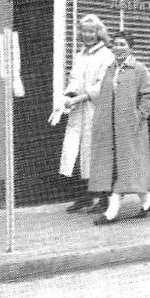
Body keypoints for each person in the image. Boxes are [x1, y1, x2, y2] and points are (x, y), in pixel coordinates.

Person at [89, 31, 150, 225]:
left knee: (125, 167)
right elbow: (104, 96)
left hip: (131, 128)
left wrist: (139, 115)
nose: (118, 48)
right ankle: (148, 200)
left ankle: (112, 211)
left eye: (122, 44)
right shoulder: (110, 69)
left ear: (130, 47)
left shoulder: (138, 69)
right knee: (124, 167)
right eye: (115, 44)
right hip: (110, 129)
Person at [52, 14, 115, 214]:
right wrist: (68, 95)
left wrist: (77, 99)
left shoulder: (106, 55)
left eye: (91, 31)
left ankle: (103, 199)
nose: (88, 35)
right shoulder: (81, 54)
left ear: (99, 33)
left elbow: (102, 86)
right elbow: (74, 78)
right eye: (84, 31)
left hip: (97, 109)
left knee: (96, 152)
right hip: (78, 110)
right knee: (77, 152)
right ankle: (87, 196)